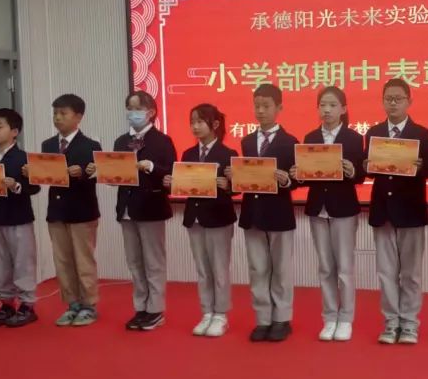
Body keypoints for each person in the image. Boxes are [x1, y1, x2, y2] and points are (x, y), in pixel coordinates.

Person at [291, 86, 365, 341]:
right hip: (317, 208)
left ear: (343, 109)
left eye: (332, 105)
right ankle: (330, 317)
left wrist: (352, 170)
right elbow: (305, 175)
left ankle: (346, 319)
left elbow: (361, 175)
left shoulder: (353, 138)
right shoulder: (310, 137)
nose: (327, 110)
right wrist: (298, 174)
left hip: (343, 208)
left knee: (344, 268)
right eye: (322, 105)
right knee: (325, 267)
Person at [365, 78, 428, 345]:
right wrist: (367, 165)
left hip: (411, 209)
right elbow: (369, 170)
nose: (393, 103)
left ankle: (410, 324)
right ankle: (391, 322)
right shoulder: (374, 132)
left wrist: (422, 166)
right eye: (388, 99)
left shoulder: (422, 134)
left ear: (409, 101)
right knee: (386, 272)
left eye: (398, 99)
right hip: (382, 209)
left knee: (411, 273)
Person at [227, 84, 298, 343]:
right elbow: (246, 177)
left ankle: (281, 319)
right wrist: (235, 176)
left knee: (281, 269)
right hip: (253, 212)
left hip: (279, 213)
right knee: (258, 269)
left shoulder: (290, 142)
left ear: (279, 108)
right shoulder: (247, 141)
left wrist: (287, 180)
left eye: (266, 106)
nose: (261, 111)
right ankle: (263, 318)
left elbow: (297, 178)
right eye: (257, 106)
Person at [164, 103, 237, 338]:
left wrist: (229, 185)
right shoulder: (188, 154)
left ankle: (221, 315)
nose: (195, 127)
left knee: (219, 269)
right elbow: (185, 184)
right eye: (192, 122)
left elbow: (238, 187)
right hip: (194, 217)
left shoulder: (228, 154)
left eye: (200, 122)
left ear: (214, 124)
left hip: (219, 218)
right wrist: (172, 183)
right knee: (203, 269)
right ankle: (207, 312)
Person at [29, 94, 101, 327]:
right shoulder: (48, 145)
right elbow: (45, 176)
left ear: (78, 117)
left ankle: (89, 305)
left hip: (82, 211)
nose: (57, 118)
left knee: (83, 260)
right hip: (57, 211)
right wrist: (34, 172)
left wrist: (82, 175)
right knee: (62, 261)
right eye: (55, 113)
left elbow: (97, 177)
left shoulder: (91, 146)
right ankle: (72, 305)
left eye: (63, 113)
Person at [105, 91, 175, 331]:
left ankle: (155, 309)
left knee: (153, 262)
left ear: (151, 112)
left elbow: (172, 173)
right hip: (126, 208)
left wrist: (152, 167)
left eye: (137, 108)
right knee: (134, 262)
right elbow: (115, 172)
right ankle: (141, 308)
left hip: (151, 207)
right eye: (129, 108)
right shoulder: (120, 141)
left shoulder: (162, 141)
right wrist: (107, 175)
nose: (131, 113)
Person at [0, 108, 41, 327]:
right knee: (0, 264)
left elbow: (34, 187)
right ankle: (6, 304)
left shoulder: (23, 158)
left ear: (14, 132)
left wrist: (15, 185)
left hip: (18, 217)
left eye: (0, 126)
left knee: (23, 262)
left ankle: (27, 305)